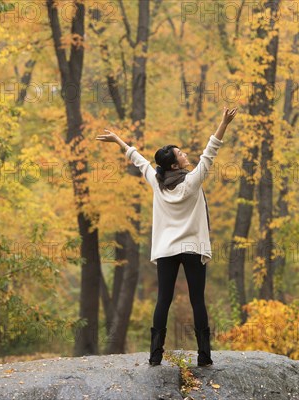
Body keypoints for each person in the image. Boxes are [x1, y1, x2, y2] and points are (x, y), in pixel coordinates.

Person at [96, 106, 238, 367]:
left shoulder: (156, 181)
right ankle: (204, 356)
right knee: (197, 300)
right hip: (192, 248)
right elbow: (211, 151)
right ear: (175, 164)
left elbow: (138, 160)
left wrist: (118, 140)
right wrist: (224, 123)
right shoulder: (192, 181)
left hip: (166, 249)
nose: (185, 154)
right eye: (181, 154)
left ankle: (155, 356)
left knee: (164, 299)